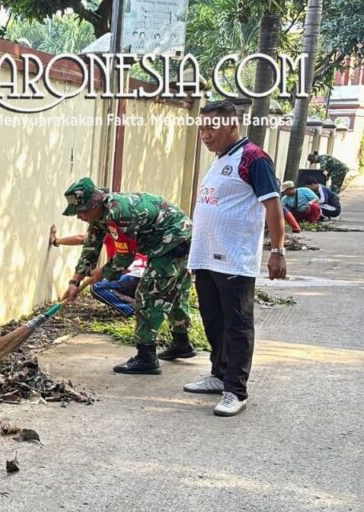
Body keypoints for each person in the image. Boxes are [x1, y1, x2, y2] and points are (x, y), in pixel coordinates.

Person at [188, 100, 286, 417]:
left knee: (238, 325)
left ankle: (236, 390)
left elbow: (273, 206)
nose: (205, 134)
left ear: (232, 125)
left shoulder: (253, 159)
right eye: (202, 128)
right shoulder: (219, 160)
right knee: (213, 320)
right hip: (206, 257)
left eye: (211, 127)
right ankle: (219, 375)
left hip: (234, 259)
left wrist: (278, 250)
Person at [59, 178, 196, 375]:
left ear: (95, 204)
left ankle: (146, 357)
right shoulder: (99, 215)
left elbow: (125, 257)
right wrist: (75, 281)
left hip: (174, 239)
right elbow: (91, 246)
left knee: (150, 295)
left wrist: (103, 272)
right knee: (173, 291)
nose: (79, 216)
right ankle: (181, 343)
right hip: (170, 239)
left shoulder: (118, 214)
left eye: (81, 211)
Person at [49, 224, 146, 317]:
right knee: (110, 285)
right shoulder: (136, 235)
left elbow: (81, 238)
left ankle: (134, 309)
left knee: (97, 287)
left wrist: (56, 241)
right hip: (148, 279)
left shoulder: (113, 233)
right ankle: (140, 303)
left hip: (132, 275)